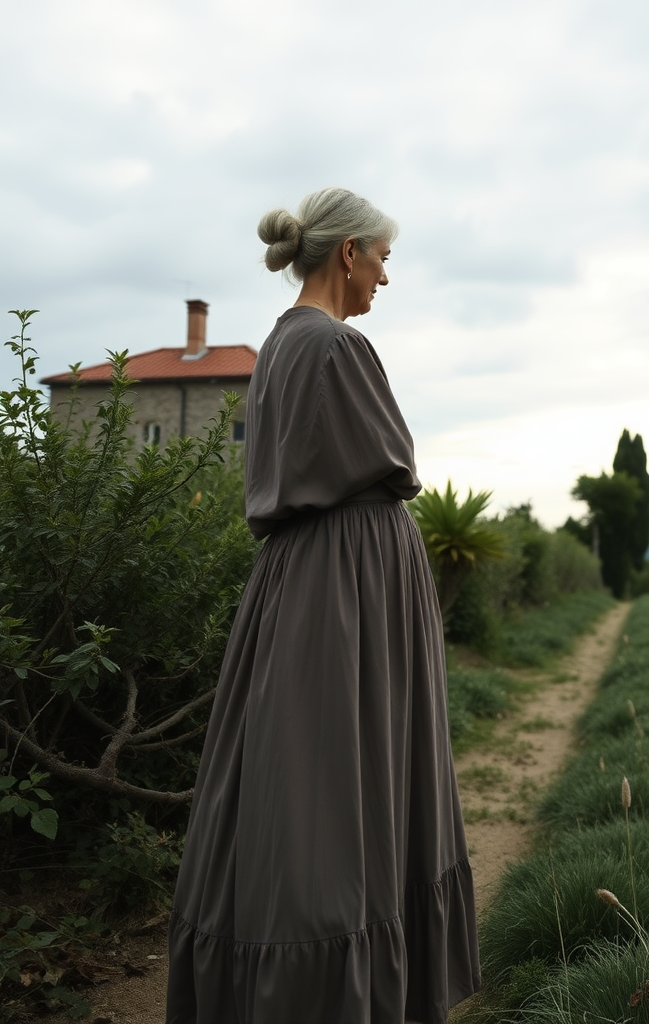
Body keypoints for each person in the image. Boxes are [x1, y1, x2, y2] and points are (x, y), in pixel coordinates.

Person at [165, 187, 480, 1024]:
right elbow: (392, 469)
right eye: (382, 258)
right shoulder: (338, 347)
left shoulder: (279, 346)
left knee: (302, 785)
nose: (385, 277)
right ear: (348, 254)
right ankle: (333, 995)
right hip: (348, 589)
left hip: (308, 584)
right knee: (338, 790)